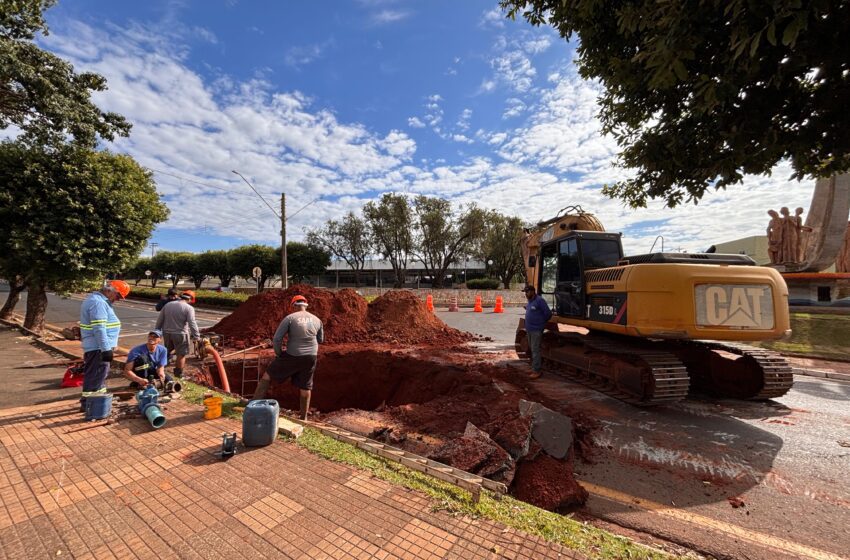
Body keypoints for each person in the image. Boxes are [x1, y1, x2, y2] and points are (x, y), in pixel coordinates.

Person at [249, 295, 323, 420]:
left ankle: (252, 405)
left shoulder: (290, 318)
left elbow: (277, 339)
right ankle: (303, 418)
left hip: (293, 355)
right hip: (311, 356)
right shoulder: (317, 320)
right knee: (305, 386)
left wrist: (279, 354)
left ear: (294, 305)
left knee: (267, 375)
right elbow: (320, 340)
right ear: (306, 305)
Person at [79, 280, 130, 410]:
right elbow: (99, 328)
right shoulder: (98, 303)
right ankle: (91, 406)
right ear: (109, 290)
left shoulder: (98, 301)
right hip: (98, 349)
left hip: (97, 348)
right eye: (118, 296)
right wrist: (106, 349)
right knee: (96, 377)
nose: (117, 300)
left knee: (98, 377)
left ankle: (95, 404)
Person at [155, 291, 200, 378]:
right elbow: (192, 323)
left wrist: (157, 332)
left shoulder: (168, 305)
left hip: (167, 333)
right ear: (190, 299)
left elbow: (160, 319)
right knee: (181, 354)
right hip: (181, 334)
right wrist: (196, 336)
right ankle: (178, 373)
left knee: (166, 352)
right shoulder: (189, 308)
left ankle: (159, 370)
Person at [523, 285, 552, 379]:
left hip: (536, 329)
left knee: (535, 350)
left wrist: (541, 324)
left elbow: (548, 314)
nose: (526, 294)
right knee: (532, 349)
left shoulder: (540, 300)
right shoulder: (530, 301)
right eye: (525, 292)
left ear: (532, 291)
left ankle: (537, 371)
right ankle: (534, 368)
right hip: (529, 329)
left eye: (527, 292)